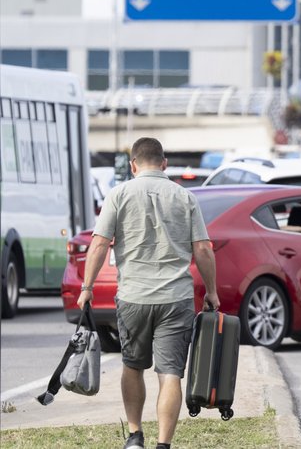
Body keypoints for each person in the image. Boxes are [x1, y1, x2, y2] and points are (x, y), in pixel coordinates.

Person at [78, 137, 218, 449]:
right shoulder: (185, 197)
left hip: (134, 297)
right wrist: (212, 292)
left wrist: (87, 288)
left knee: (132, 365)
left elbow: (100, 244)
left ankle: (134, 435)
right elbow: (203, 250)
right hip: (175, 298)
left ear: (133, 165)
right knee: (170, 374)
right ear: (164, 163)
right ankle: (163, 444)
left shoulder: (119, 194)